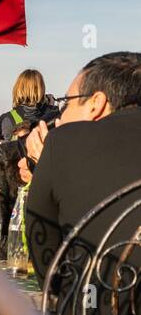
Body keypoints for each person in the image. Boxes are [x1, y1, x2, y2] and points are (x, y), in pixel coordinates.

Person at [25, 52, 141, 281]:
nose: (59, 117)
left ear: (96, 104)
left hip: (91, 313)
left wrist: (45, 170)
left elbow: (46, 267)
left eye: (67, 103)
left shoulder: (63, 142)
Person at [0, 68, 59, 141]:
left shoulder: (7, 118)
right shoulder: (55, 113)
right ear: (42, 88)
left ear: (18, 89)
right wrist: (51, 106)